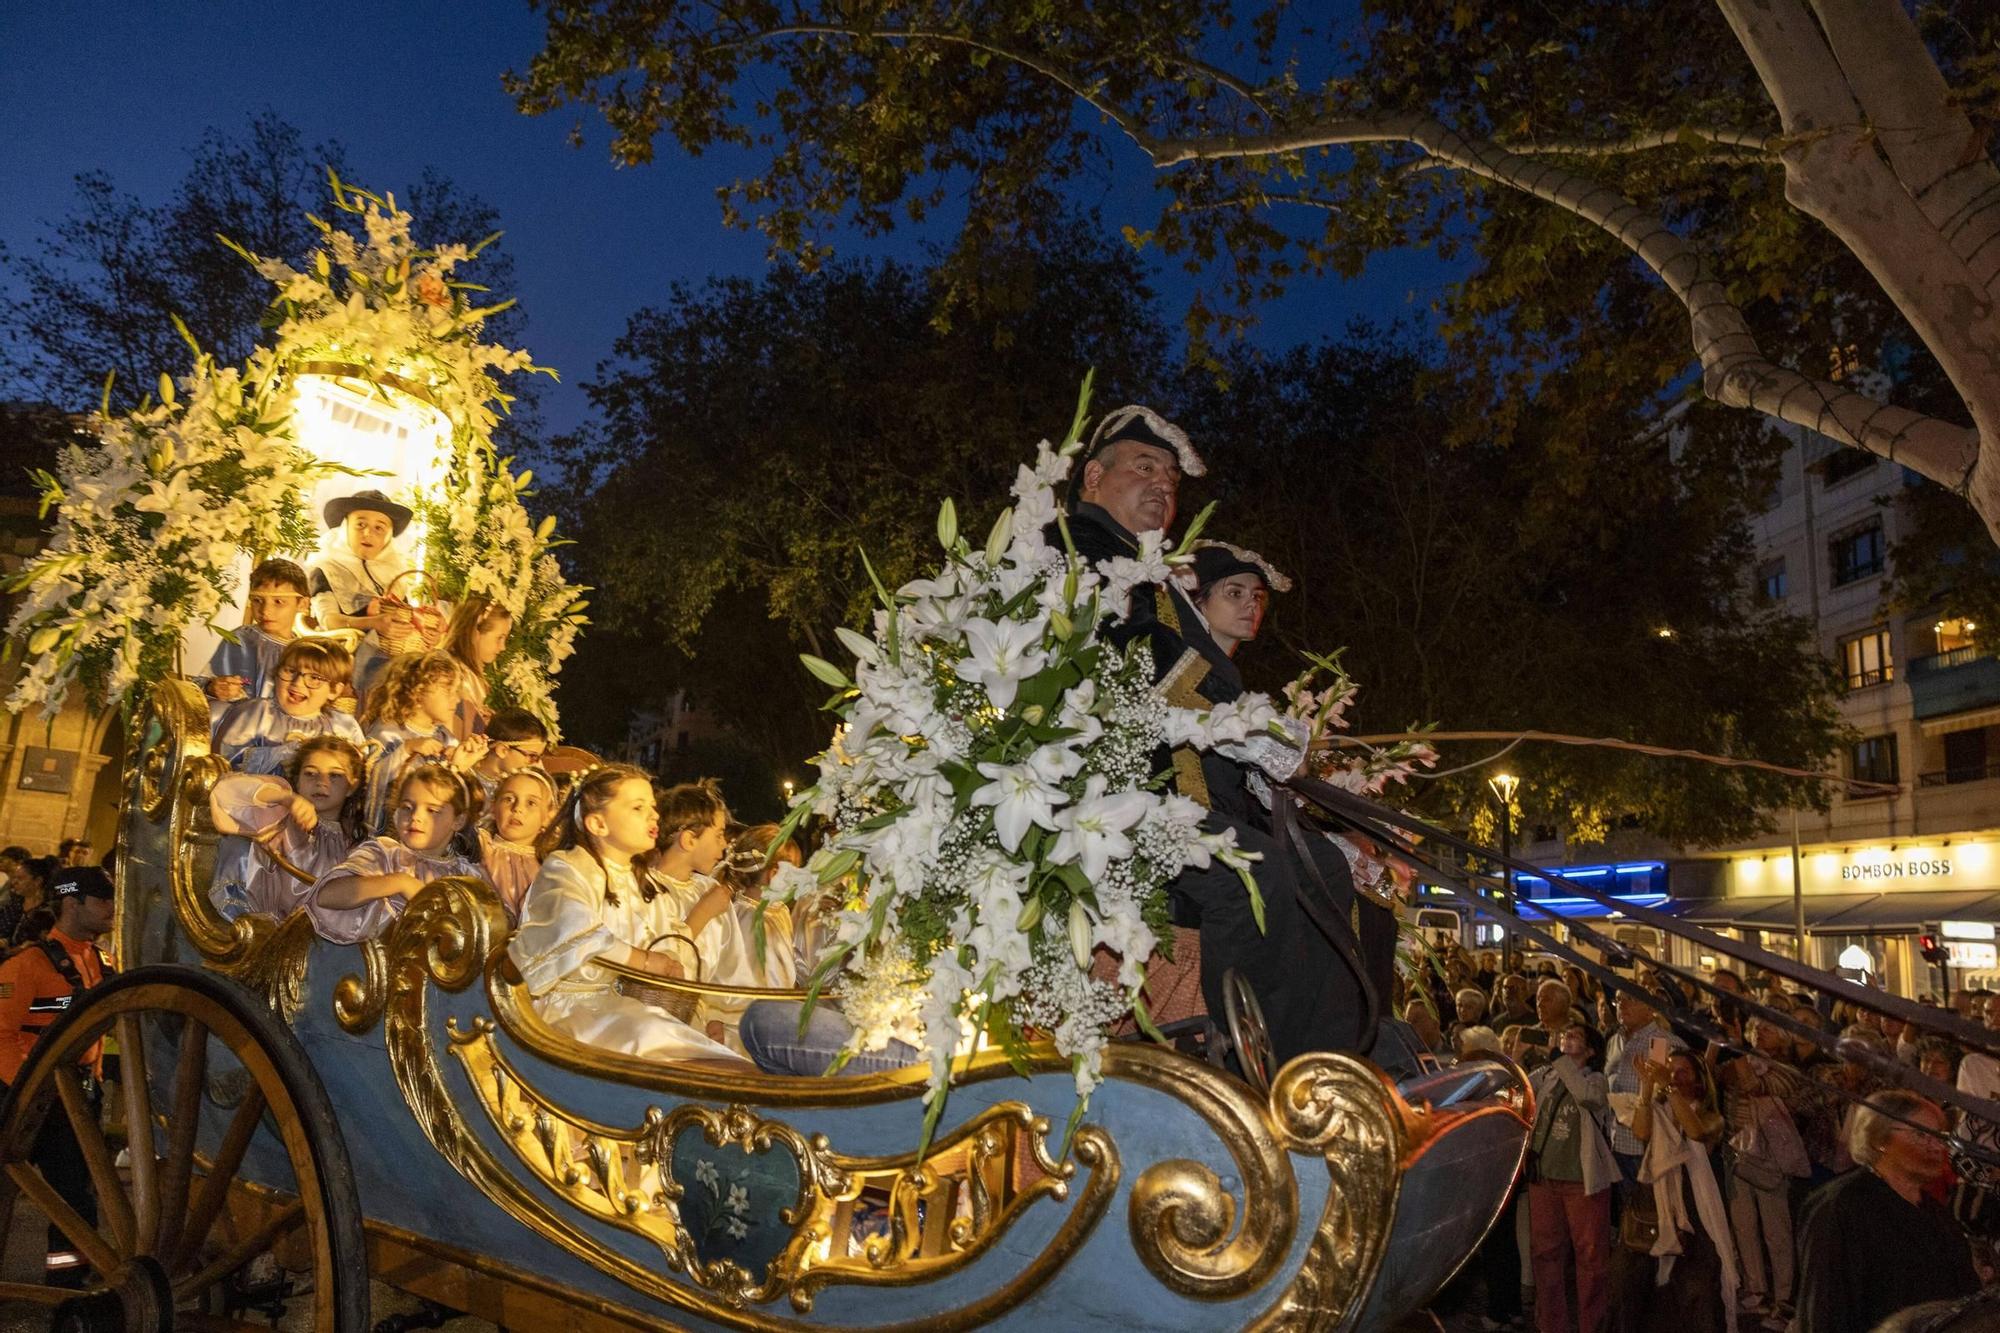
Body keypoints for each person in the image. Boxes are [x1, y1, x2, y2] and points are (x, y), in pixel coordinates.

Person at [1052, 405, 1367, 1061]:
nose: (1163, 487)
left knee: (1326, 866)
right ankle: (1236, 1049)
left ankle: (1337, 1056)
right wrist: (1246, 722)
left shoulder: (1151, 574)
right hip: (1105, 804)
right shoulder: (1076, 547)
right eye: (1145, 468)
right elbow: (1142, 649)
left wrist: (1264, 766)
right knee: (1253, 873)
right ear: (1092, 478)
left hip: (1172, 800)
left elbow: (1195, 697)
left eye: (1171, 476)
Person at [507, 765, 743, 1063]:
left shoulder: (644, 882)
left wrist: (672, 963)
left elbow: (665, 940)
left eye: (653, 807)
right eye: (638, 807)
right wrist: (643, 961)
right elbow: (574, 928)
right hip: (566, 1009)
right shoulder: (567, 868)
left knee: (705, 1050)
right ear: (598, 824)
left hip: (617, 1004)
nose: (654, 815)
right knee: (650, 1037)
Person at [0, 866, 116, 1274]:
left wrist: (95, 1079)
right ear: (72, 903)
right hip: (27, 1093)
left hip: (76, 1096)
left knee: (75, 1199)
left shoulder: (104, 961)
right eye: (102, 900)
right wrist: (27, 1089)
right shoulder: (28, 965)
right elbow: (1, 1033)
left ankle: (68, 1288)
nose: (112, 908)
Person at [1794, 1091, 1978, 1333]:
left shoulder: (1935, 1213)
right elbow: (1825, 1308)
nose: (1936, 1146)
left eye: (1939, 1137)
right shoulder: (1842, 1206)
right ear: (1878, 1138)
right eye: (1921, 1135)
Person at [1614, 1049, 1734, 1333]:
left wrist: (1667, 1087)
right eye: (1670, 1069)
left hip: (1694, 1207)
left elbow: (1695, 1132)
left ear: (1699, 1081)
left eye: (1683, 1072)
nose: (1675, 1076)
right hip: (1653, 1203)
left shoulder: (1711, 1116)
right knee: (1636, 1287)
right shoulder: (1658, 1109)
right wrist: (1646, 1088)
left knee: (1694, 1288)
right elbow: (1641, 1132)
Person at [305, 764, 484, 943]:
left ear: (458, 821)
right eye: (407, 807)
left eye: (432, 810)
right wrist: (400, 882)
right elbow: (326, 896)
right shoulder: (383, 854)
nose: (415, 816)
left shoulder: (467, 875)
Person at [1716, 1016, 1812, 1328]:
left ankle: (1783, 1298)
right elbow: (1715, 1077)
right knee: (1743, 1226)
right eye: (1755, 1027)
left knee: (1776, 1233)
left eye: (1767, 1027)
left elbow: (1752, 1086)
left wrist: (1740, 1051)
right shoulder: (1742, 1060)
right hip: (1737, 1152)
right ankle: (1755, 1289)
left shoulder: (1787, 1071)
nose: (1759, 1031)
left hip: (1771, 1159)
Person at [209, 737, 366, 921]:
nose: (321, 782)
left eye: (335, 775)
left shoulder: (359, 839)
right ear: (297, 780)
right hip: (272, 929)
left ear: (351, 786)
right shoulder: (280, 816)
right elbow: (225, 792)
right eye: (310, 773)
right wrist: (286, 798)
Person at [1527, 1024, 1616, 1333]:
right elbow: (1522, 1089)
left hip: (1582, 1181)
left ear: (1591, 1050)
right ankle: (1552, 1324)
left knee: (1590, 1258)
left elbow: (1586, 1096)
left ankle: (1592, 1324)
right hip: (1545, 1178)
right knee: (1545, 1254)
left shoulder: (1598, 1080)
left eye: (1575, 1035)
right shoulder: (1548, 1076)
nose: (1566, 1037)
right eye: (1566, 1033)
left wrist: (1557, 1058)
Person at [308, 488, 430, 697]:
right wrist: (373, 623)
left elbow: (405, 623)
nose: (368, 533)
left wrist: (427, 630)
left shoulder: (395, 576)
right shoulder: (327, 568)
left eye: (379, 528)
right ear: (346, 527)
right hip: (342, 658)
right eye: (361, 525)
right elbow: (329, 621)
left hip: (392, 660)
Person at [360, 650, 489, 831]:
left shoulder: (445, 736)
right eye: (448, 691)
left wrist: (462, 764)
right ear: (417, 693)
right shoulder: (388, 733)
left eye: (456, 692)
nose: (457, 699)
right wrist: (407, 749)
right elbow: (375, 785)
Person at [211, 637, 365, 775]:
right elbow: (225, 762)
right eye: (291, 671)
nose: (297, 683)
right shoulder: (256, 713)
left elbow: (357, 773)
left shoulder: (343, 726)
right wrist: (280, 754)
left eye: (314, 678)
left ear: (333, 690)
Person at [202, 557, 311, 707]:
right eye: (257, 600)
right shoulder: (239, 640)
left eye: (278, 602)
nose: (265, 611)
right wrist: (212, 688)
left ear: (303, 604)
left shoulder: (307, 654)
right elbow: (201, 684)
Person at [1606, 991, 1684, 1184]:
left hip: (1644, 1147)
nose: (1622, 1005)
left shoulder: (1659, 1043)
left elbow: (1663, 1093)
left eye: (1630, 998)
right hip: (1616, 1142)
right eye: (1618, 1000)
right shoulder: (1615, 1041)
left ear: (1650, 1008)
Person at [479, 767, 556, 919]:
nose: (517, 809)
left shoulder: (551, 866)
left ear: (548, 817)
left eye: (531, 803)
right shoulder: (480, 847)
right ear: (493, 808)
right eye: (508, 799)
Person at [440, 594, 513, 739]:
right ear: (475, 633)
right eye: (499, 638)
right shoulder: (457, 675)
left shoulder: (470, 675)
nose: (503, 647)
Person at [469, 708, 549, 801]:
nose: (536, 764)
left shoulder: (521, 784)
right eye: (532, 756)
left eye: (539, 757)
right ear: (502, 750)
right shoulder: (467, 782)